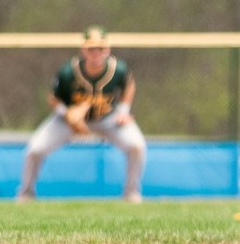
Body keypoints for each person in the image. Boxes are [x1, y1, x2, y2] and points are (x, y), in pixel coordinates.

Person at [16, 26, 147, 203]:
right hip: (67, 121)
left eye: (100, 48)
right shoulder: (69, 72)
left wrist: (124, 110)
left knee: (137, 145)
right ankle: (26, 194)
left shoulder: (119, 70)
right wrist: (67, 113)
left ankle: (131, 193)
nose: (96, 53)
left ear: (108, 50)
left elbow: (129, 85)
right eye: (91, 48)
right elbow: (53, 98)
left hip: (107, 118)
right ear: (83, 50)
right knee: (35, 149)